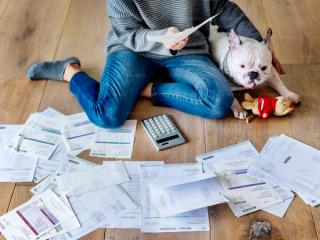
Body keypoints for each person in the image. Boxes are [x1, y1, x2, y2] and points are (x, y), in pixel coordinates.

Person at [28, 0, 263, 128]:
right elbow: (127, 33)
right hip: (133, 49)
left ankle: (147, 89)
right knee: (107, 116)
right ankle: (70, 71)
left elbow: (223, 8)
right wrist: (164, 36)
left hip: (187, 49)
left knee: (219, 103)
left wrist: (260, 46)